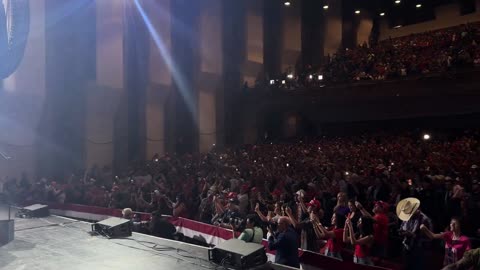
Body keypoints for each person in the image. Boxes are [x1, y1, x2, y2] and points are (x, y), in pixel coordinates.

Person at [397, 197, 433, 270]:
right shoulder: (407, 217)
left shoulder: (425, 219)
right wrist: (401, 232)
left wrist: (413, 235)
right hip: (406, 246)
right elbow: (402, 227)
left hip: (419, 250)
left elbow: (429, 237)